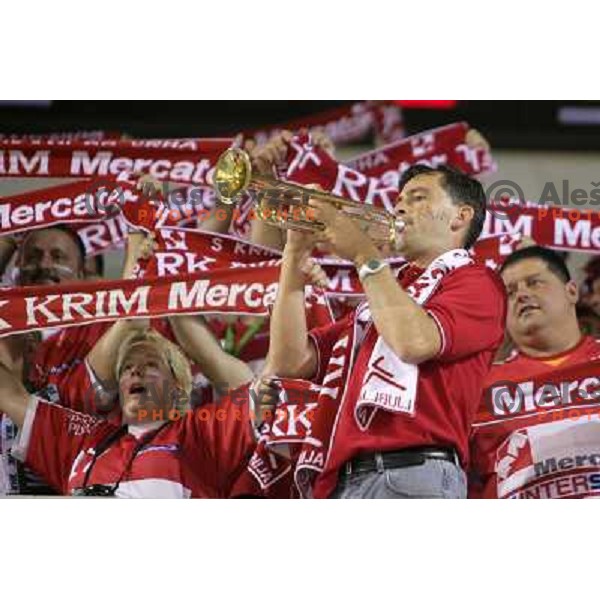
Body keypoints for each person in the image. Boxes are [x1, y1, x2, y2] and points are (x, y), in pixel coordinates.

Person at [263, 164, 507, 499]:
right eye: (399, 199)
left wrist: (364, 252)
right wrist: (294, 255)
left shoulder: (477, 281)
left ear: (460, 217)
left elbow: (413, 342)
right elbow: (288, 363)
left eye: (418, 198)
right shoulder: (384, 297)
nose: (400, 207)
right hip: (344, 480)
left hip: (413, 472)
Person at [0, 327, 261, 498]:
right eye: (127, 367)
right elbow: (10, 395)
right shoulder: (86, 439)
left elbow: (264, 387)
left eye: (150, 364)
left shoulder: (199, 435)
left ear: (178, 387)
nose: (135, 371)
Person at [470, 246, 600, 499]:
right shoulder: (478, 387)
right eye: (509, 292)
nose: (521, 295)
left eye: (534, 283)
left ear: (571, 291)